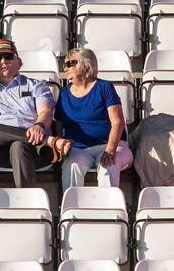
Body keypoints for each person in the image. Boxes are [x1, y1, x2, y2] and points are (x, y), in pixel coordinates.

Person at [0, 38, 58, 187]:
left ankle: (25, 202)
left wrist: (39, 126)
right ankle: (49, 141)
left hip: (34, 147)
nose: (3, 61)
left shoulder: (36, 85)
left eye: (8, 57)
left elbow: (46, 111)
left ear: (19, 62)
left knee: (18, 146)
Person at [52, 48, 133, 190]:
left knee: (108, 165)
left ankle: (109, 209)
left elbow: (117, 122)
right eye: (65, 64)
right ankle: (73, 209)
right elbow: (59, 123)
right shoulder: (64, 94)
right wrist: (61, 144)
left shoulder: (104, 87)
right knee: (72, 167)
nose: (66, 68)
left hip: (110, 145)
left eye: (70, 63)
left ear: (86, 63)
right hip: (79, 148)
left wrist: (110, 150)